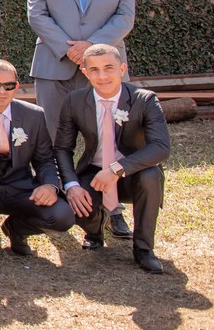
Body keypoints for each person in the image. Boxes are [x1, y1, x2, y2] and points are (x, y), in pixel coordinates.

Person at [27, 0, 136, 237]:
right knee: (50, 136)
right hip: (55, 65)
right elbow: (37, 15)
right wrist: (70, 49)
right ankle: (55, 198)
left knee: (109, 136)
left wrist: (91, 49)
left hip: (104, 70)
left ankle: (112, 207)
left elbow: (125, 18)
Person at [55, 44, 170, 274]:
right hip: (95, 172)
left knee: (150, 175)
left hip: (134, 172)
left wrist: (117, 168)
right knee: (76, 201)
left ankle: (144, 249)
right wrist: (71, 185)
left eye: (109, 68)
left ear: (122, 69)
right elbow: (62, 148)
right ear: (85, 73)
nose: (102, 76)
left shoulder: (144, 99)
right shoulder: (75, 101)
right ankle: (95, 230)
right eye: (94, 70)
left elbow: (160, 147)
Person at [0, 59, 75, 258]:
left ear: (16, 87)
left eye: (8, 86)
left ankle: (17, 229)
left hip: (23, 187)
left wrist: (50, 185)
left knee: (63, 217)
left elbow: (44, 159)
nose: (2, 91)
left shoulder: (34, 115)